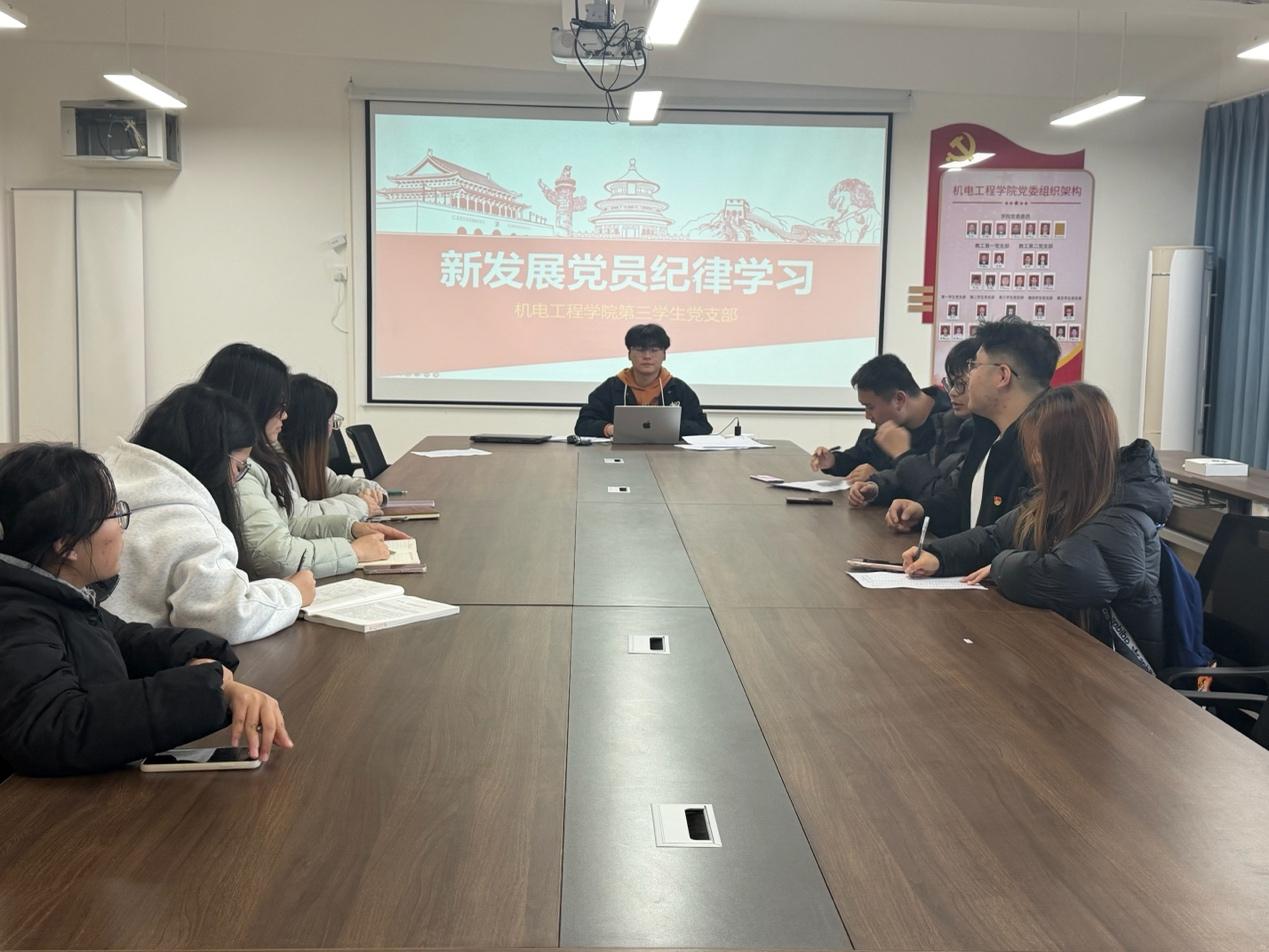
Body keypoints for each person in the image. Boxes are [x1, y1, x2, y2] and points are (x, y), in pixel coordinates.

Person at [0, 444, 291, 777]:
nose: (122, 526)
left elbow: (127, 640)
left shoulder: (58, 594)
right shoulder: (16, 615)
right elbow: (55, 727)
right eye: (111, 513)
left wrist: (202, 658)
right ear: (67, 546)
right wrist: (207, 689)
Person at [903, 383, 1171, 670]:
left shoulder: (1125, 513)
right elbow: (996, 536)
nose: (1033, 460)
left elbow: (1069, 575)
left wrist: (1000, 565)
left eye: (1041, 450)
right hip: (1066, 651)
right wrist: (939, 556)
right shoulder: (1060, 498)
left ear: (1072, 452)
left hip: (1118, 672)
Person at [101, 384, 315, 644]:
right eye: (240, 466)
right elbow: (227, 619)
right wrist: (292, 593)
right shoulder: (192, 525)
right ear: (213, 459)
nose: (236, 480)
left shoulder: (101, 482)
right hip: (136, 660)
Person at [199, 343, 405, 579]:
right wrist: (354, 550)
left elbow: (291, 521)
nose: (285, 415)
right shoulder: (239, 468)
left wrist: (350, 528)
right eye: (279, 405)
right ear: (254, 404)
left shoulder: (263, 458)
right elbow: (275, 556)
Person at [886, 317, 1060, 535]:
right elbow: (968, 501)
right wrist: (923, 511)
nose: (970, 377)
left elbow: (1009, 536)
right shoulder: (987, 429)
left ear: (1002, 376)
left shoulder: (1047, 446)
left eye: (974, 366)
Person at [848, 338, 978, 509]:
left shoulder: (984, 437)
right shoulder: (951, 424)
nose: (952, 392)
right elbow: (925, 470)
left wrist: (903, 454)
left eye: (961, 384)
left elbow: (942, 498)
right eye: (951, 384)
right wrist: (876, 487)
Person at [810, 353, 951, 483]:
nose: (867, 416)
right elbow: (861, 455)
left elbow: (935, 489)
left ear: (899, 399)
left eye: (870, 407)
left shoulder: (951, 427)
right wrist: (833, 461)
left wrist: (880, 477)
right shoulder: (893, 422)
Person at [574, 323, 711, 439]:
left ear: (664, 355)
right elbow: (583, 425)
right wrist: (610, 429)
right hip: (620, 454)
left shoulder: (678, 388)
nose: (647, 356)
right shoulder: (612, 387)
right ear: (629, 354)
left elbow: (703, 427)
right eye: (640, 350)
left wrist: (670, 427)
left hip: (669, 456)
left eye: (654, 350)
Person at [278, 374, 386, 518]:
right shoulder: (276, 466)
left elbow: (335, 484)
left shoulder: (303, 458)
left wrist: (370, 490)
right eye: (331, 419)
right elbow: (299, 514)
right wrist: (360, 504)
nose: (332, 428)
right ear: (312, 425)